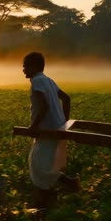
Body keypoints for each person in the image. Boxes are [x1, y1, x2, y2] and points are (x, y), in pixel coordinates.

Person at [22, 52, 81, 210]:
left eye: (26, 66)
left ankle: (46, 200)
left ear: (34, 67)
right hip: (55, 127)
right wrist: (64, 122)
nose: (23, 70)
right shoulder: (48, 80)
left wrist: (33, 127)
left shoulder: (37, 81)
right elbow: (66, 98)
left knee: (38, 164)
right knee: (42, 163)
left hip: (48, 129)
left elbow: (45, 105)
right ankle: (55, 192)